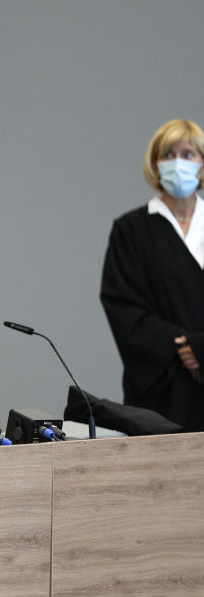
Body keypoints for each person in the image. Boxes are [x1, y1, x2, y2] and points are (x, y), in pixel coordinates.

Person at [101, 118, 204, 430]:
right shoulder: (131, 230)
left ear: (201, 163)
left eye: (187, 154)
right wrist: (181, 347)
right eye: (168, 154)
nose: (177, 163)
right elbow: (122, 306)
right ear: (155, 164)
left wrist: (201, 348)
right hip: (163, 388)